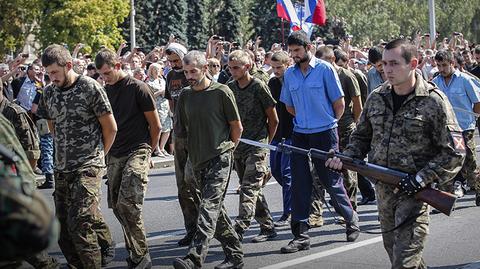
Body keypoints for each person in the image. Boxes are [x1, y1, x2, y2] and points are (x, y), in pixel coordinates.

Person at [326, 39, 465, 269]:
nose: (386, 69)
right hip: (384, 194)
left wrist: (422, 179)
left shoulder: (433, 101)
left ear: (413, 63)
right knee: (398, 255)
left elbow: (455, 152)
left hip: (415, 195)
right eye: (384, 64)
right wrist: (344, 159)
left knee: (403, 263)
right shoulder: (377, 97)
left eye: (393, 64)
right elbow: (361, 138)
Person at [36, 44, 117, 269]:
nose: (51, 78)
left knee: (80, 223)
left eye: (55, 72)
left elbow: (110, 128)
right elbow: (52, 125)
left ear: (69, 65)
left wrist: (99, 157)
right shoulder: (49, 92)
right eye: (48, 73)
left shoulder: (90, 87)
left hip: (88, 165)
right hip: (62, 168)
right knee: (62, 231)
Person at [279, 31, 360, 254]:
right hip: (300, 133)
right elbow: (289, 106)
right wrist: (305, 121)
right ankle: (301, 235)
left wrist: (327, 121)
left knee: (331, 181)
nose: (294, 55)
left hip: (325, 132)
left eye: (297, 50)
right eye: (292, 51)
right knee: (299, 184)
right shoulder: (290, 74)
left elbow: (339, 103)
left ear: (308, 48)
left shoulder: (325, 70)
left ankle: (351, 219)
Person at [173, 50, 244, 269]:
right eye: (186, 72)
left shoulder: (222, 92)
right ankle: (235, 255)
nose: (189, 76)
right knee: (216, 211)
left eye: (193, 71)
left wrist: (228, 150)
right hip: (196, 161)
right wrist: (186, 163)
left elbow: (236, 127)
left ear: (205, 69)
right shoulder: (185, 95)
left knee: (208, 209)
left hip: (219, 158)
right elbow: (182, 132)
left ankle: (194, 259)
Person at [96, 48, 161, 268]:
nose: (105, 78)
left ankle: (142, 255)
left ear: (117, 66)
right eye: (101, 75)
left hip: (138, 149)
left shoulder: (138, 88)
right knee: (116, 205)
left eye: (107, 73)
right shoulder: (106, 91)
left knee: (129, 203)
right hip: (116, 153)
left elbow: (156, 125)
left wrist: (149, 152)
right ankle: (134, 252)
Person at [227, 50, 279, 243]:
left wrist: (265, 144)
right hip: (239, 146)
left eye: (236, 68)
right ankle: (267, 226)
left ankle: (239, 228)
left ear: (247, 67)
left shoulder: (258, 86)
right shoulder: (230, 88)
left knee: (248, 188)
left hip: (257, 145)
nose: (232, 71)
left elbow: (273, 119)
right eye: (230, 68)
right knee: (254, 189)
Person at [0, 113, 59, 269]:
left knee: (30, 250)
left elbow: (31, 151)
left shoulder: (12, 115)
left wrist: (25, 193)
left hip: (13, 195)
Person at [433, 50, 480, 205]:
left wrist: (471, 119)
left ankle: (478, 190)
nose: (441, 69)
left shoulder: (465, 79)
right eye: (438, 65)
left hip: (465, 129)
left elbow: (477, 102)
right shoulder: (436, 82)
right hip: (446, 130)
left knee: (470, 162)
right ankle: (447, 198)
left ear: (452, 63)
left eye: (444, 65)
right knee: (447, 164)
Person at [165, 42, 200, 246]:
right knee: (183, 187)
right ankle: (191, 229)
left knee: (196, 182)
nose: (174, 64)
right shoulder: (170, 76)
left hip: (197, 134)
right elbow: (171, 101)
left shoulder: (192, 74)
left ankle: (207, 228)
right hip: (179, 135)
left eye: (176, 60)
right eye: (171, 61)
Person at [268, 51, 294, 227]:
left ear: (287, 64)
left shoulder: (293, 80)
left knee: (287, 173)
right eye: (273, 67)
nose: (276, 71)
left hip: (293, 133)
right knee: (276, 170)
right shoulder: (272, 82)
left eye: (279, 67)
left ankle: (289, 212)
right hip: (277, 133)